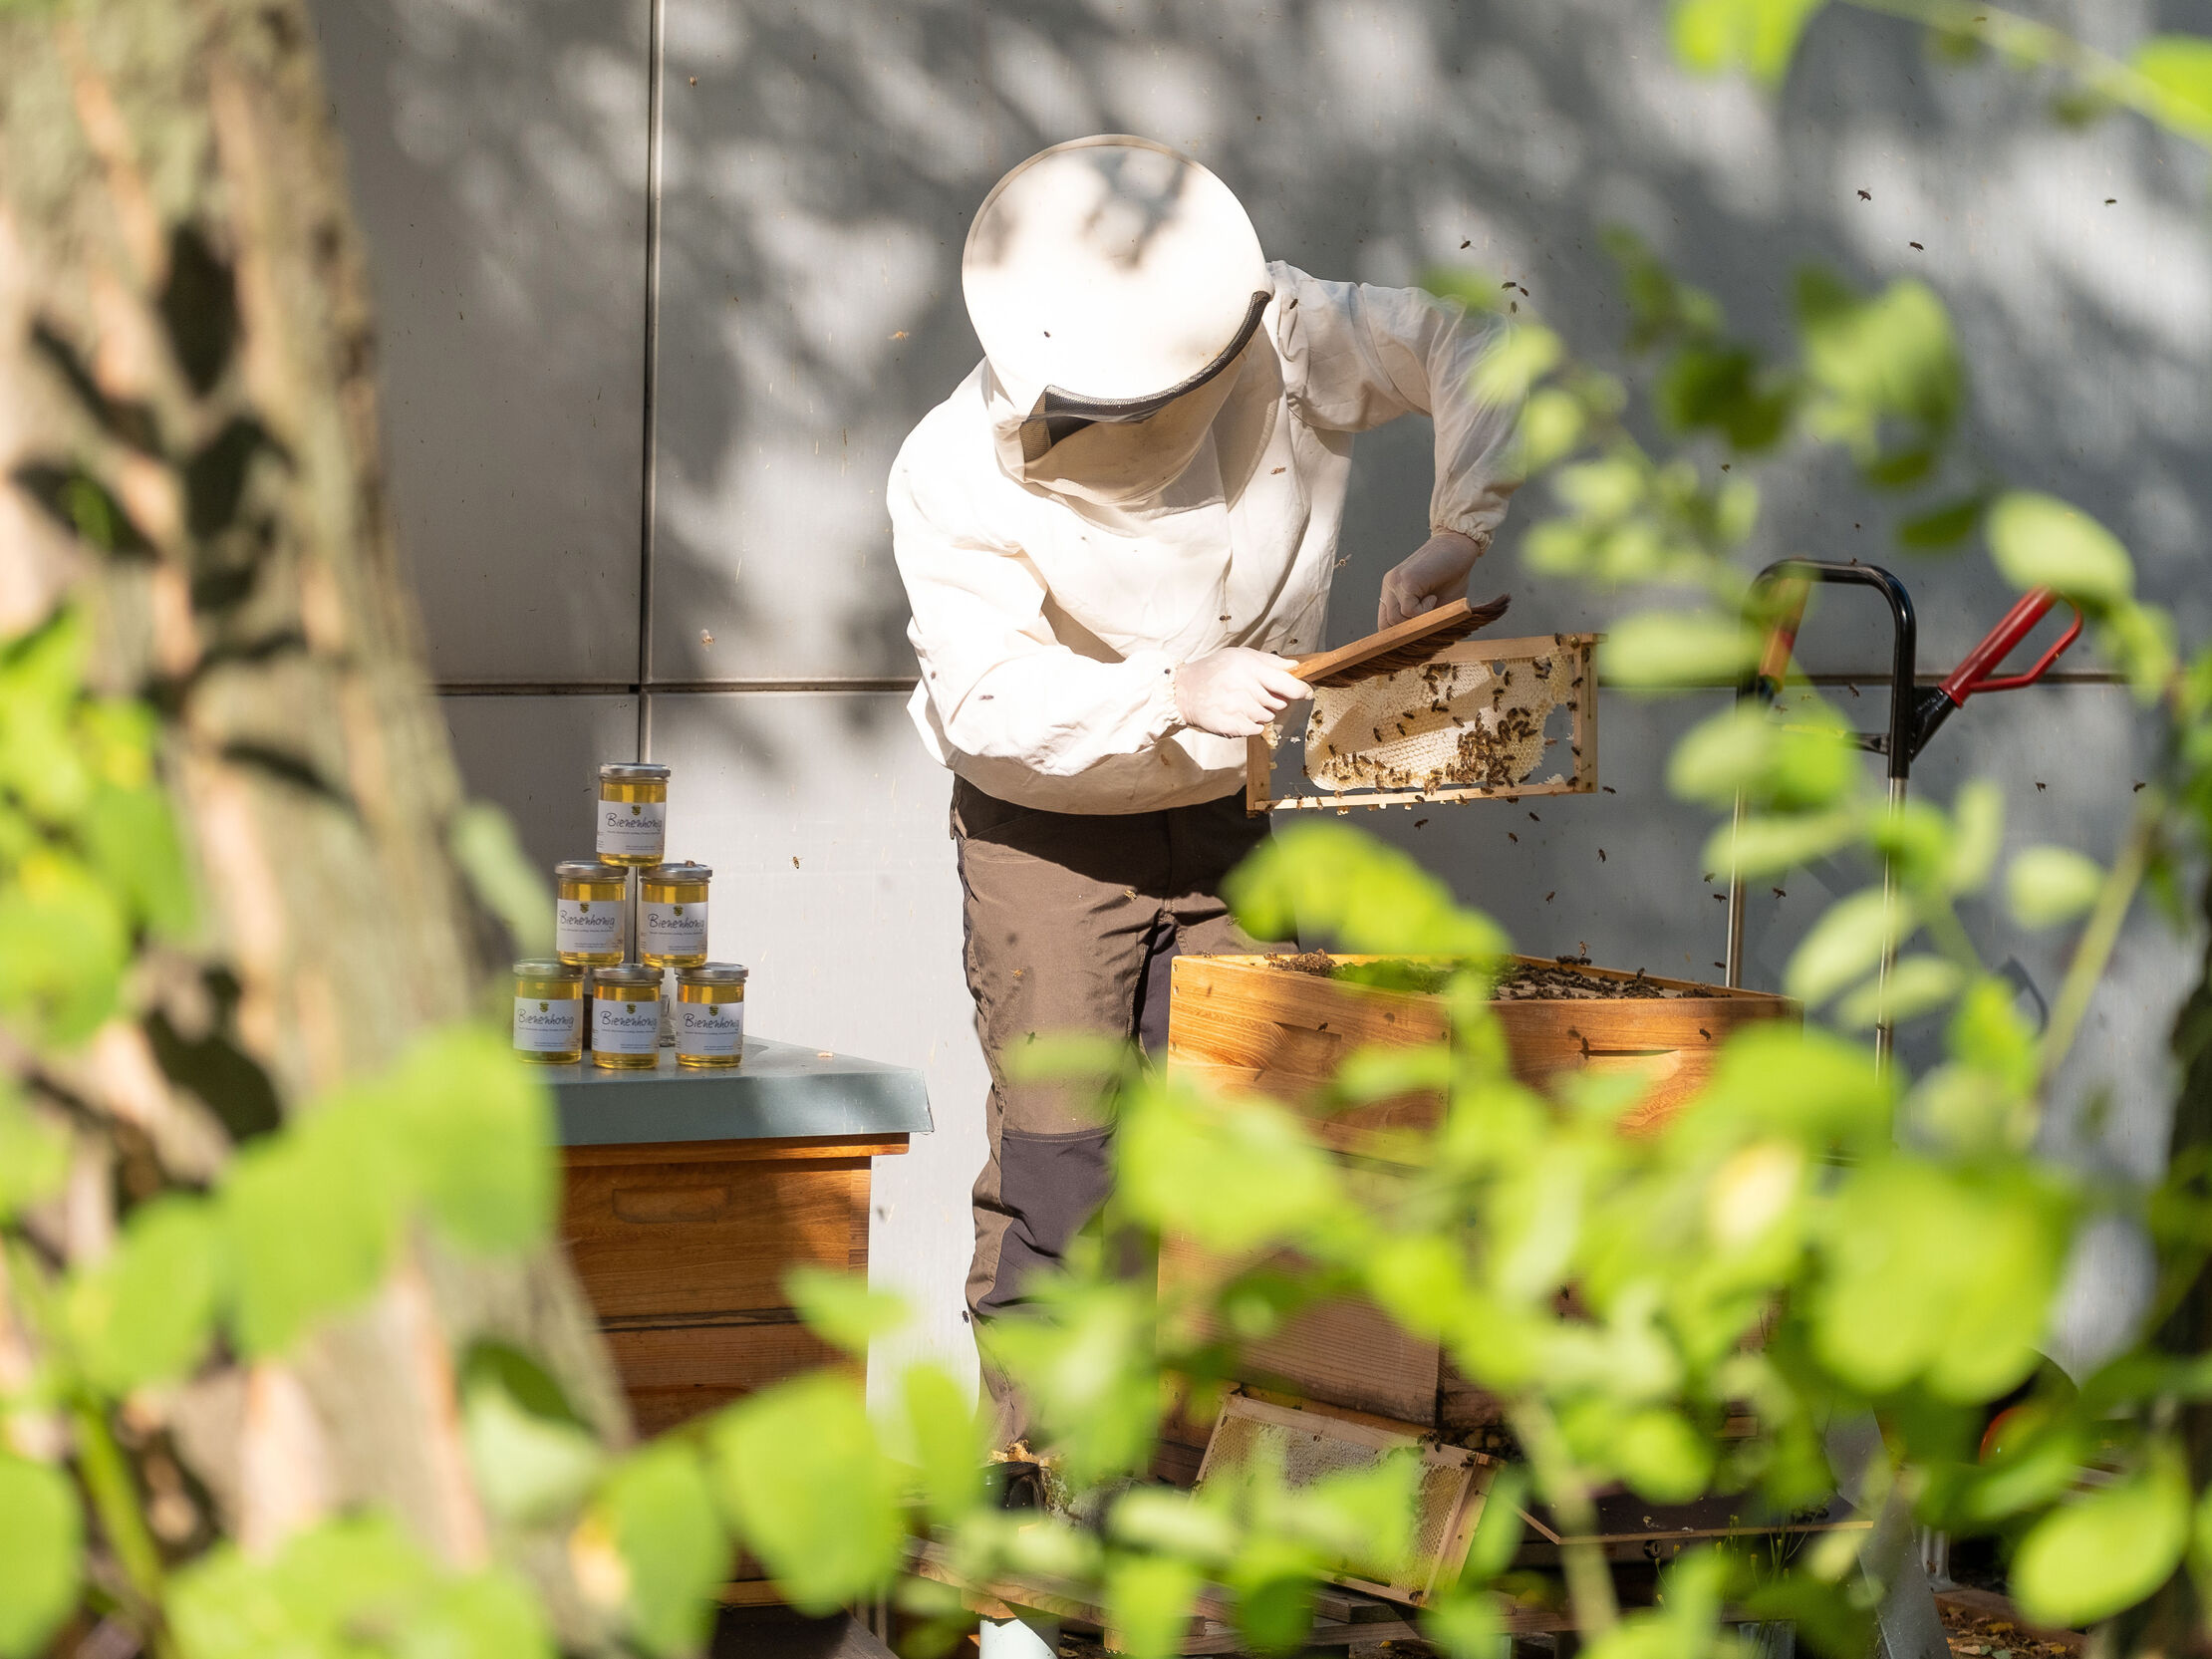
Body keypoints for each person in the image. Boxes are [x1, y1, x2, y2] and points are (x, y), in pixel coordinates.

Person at [889, 135, 1521, 1442]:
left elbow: (1477, 340)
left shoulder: (1282, 330)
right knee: (1066, 1161)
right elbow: (983, 707)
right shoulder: (952, 466)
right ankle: (1037, 1492)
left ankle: (1195, 1486)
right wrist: (1168, 694)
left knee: (1239, 1146)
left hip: (1232, 810)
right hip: (1048, 838)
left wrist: (1464, 519)